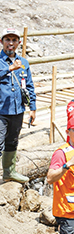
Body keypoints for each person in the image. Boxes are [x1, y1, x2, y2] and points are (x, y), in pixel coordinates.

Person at [0, 28, 36, 184]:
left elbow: (29, 85)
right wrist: (9, 68)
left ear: (18, 43)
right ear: (1, 42)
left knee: (12, 141)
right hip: (1, 110)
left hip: (17, 110)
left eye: (14, 40)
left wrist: (32, 108)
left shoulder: (24, 63)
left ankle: (9, 172)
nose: (11, 43)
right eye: (7, 40)